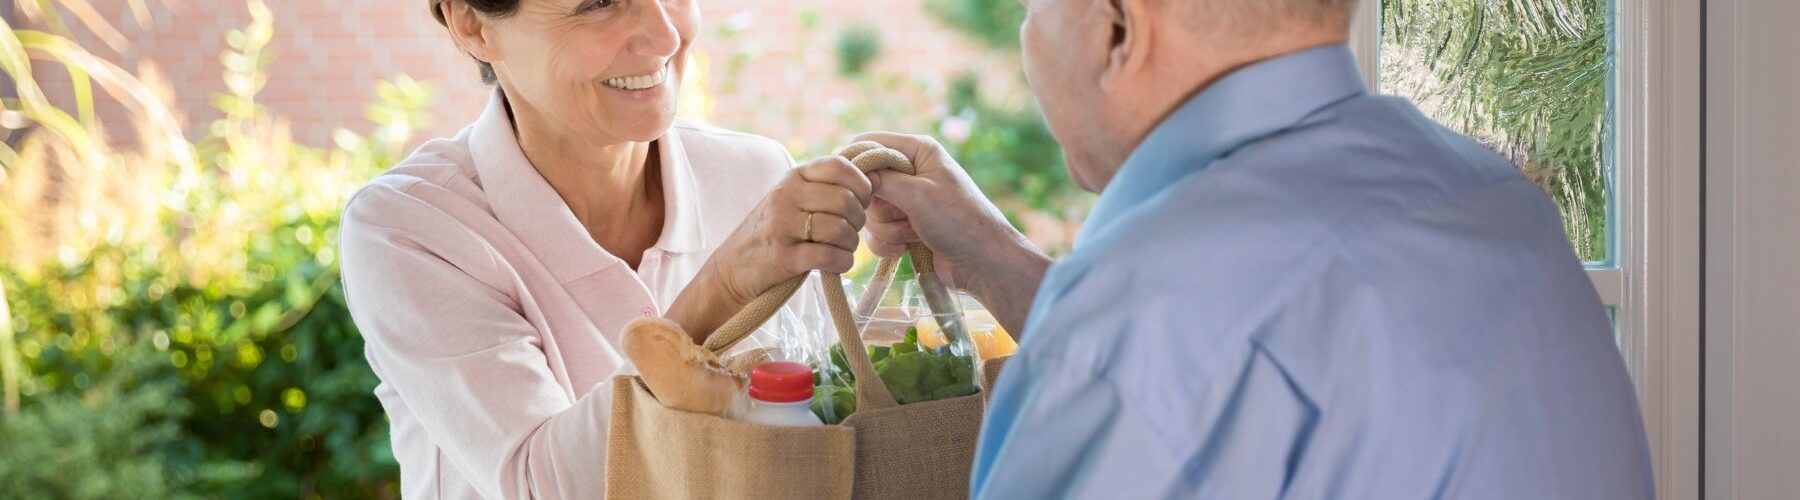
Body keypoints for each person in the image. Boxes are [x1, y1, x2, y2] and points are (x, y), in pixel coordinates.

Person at [857, 0, 1655, 497]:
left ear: (1117, 29)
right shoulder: (1496, 205)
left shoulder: (1143, 322)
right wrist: (993, 256)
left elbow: (1178, 355)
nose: (1028, 39)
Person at [337, 0, 870, 497]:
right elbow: (537, 483)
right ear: (473, 24)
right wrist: (721, 288)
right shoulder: (409, 226)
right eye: (598, 1)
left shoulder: (754, 176)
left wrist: (949, 255)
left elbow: (835, 411)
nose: (665, 34)